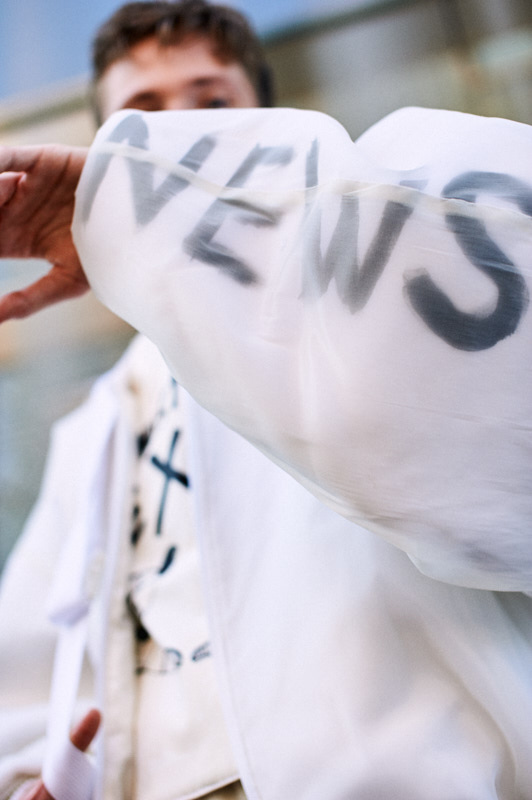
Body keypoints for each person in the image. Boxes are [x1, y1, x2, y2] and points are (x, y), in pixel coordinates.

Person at [1, 3, 532, 800]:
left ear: (268, 121)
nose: (176, 134)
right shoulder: (101, 422)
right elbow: (32, 659)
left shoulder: (379, 306)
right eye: (144, 115)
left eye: (211, 104)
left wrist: (215, 222)